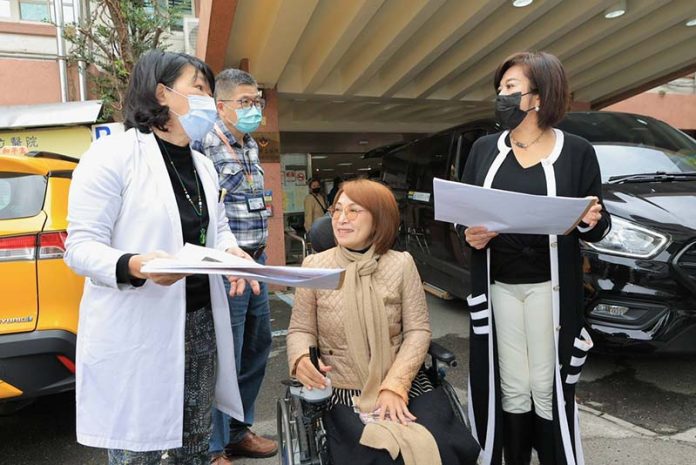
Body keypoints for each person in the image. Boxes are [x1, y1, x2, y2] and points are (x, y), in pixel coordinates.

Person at [64, 51, 261, 465]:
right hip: (141, 327)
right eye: (199, 88)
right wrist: (137, 265)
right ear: (161, 93)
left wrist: (231, 251)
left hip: (200, 323)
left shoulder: (203, 165)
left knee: (195, 444)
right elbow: (80, 247)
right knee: (140, 451)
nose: (208, 100)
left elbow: (217, 226)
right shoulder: (113, 155)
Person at [462, 51, 610, 465]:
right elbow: (465, 215)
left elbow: (598, 225)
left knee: (548, 386)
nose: (502, 96)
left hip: (551, 289)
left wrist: (589, 220)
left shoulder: (576, 151)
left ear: (540, 95)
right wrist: (470, 234)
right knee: (511, 386)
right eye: (500, 89)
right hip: (498, 287)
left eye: (511, 88)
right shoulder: (483, 150)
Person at [287, 179, 480, 465]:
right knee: (377, 454)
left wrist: (395, 386)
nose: (341, 218)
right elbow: (301, 329)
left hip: (401, 381)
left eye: (353, 211)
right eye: (337, 210)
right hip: (343, 389)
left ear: (379, 219)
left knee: (444, 445)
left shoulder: (401, 264)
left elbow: (417, 331)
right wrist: (301, 358)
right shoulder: (315, 267)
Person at [196, 68, 277, 463]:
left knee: (257, 344)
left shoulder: (250, 145)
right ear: (221, 105)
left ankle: (238, 430)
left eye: (256, 101)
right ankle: (213, 447)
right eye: (245, 102)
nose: (253, 109)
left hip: (256, 261)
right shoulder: (204, 143)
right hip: (227, 266)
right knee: (223, 353)